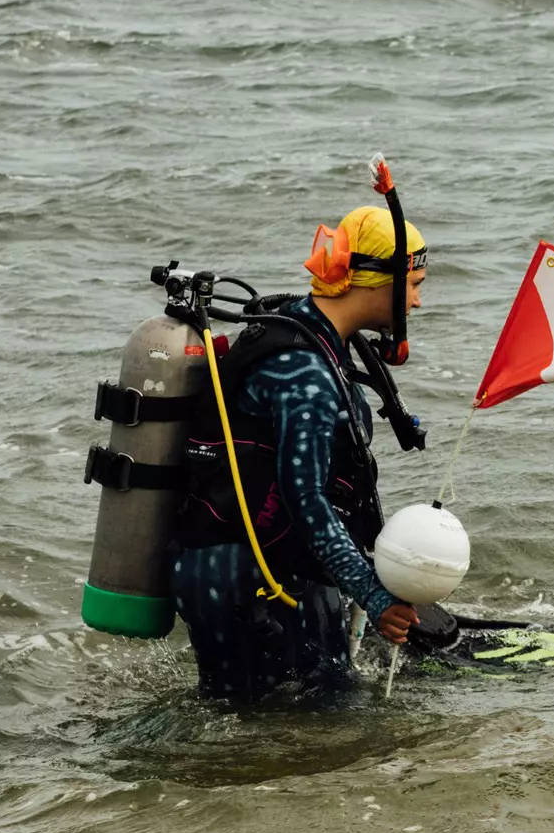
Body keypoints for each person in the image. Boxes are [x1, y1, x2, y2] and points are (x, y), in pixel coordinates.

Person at [170, 203, 427, 701]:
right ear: (377, 283)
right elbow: (305, 499)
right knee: (266, 726)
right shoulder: (303, 371)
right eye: (414, 286)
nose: (416, 302)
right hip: (241, 581)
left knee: (318, 717)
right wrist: (373, 597)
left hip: (275, 568)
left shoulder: (313, 333)